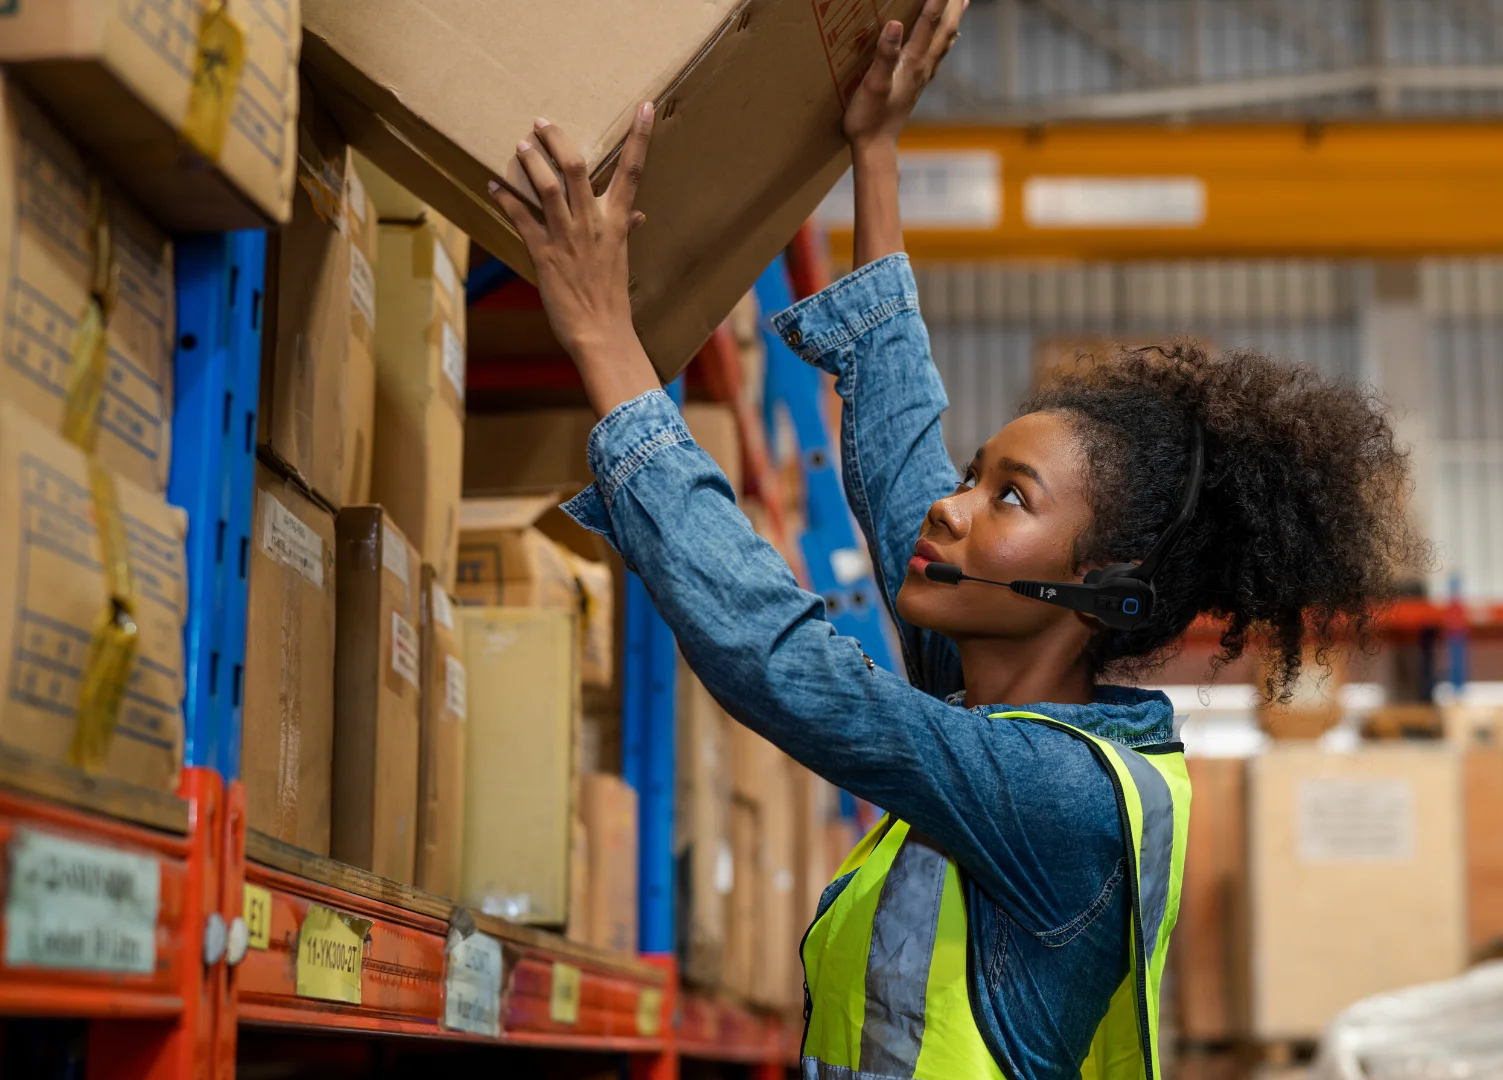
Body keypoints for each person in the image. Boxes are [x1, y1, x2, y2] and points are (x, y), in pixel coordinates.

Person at [486, 1, 1418, 1075]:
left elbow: (786, 667)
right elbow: (897, 456)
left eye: (1010, 500)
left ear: (1102, 589)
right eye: (978, 473)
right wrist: (874, 150)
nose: (953, 506)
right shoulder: (987, 690)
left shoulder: (1057, 793)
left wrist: (604, 334)